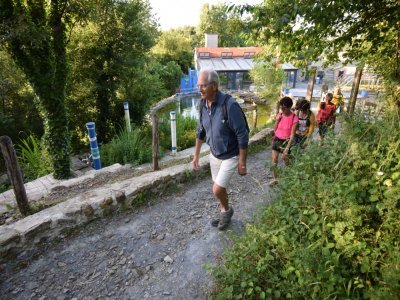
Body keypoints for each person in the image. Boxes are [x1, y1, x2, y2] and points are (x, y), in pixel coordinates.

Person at [192, 68, 249, 230]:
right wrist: (195, 156)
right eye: (199, 86)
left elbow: (242, 135)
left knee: (216, 189)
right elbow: (200, 131)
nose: (200, 89)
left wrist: (242, 163)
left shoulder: (230, 106)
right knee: (220, 187)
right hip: (214, 154)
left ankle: (227, 211)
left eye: (203, 86)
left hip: (231, 155)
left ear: (214, 86)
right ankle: (224, 212)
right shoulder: (203, 104)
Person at [269, 97, 299, 186]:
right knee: (274, 159)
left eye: (284, 108)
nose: (282, 110)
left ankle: (290, 174)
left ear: (289, 107)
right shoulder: (280, 115)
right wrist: (273, 136)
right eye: (281, 107)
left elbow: (292, 134)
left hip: (287, 140)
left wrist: (287, 147)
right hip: (277, 138)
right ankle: (275, 179)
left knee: (285, 158)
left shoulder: (294, 118)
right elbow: (275, 127)